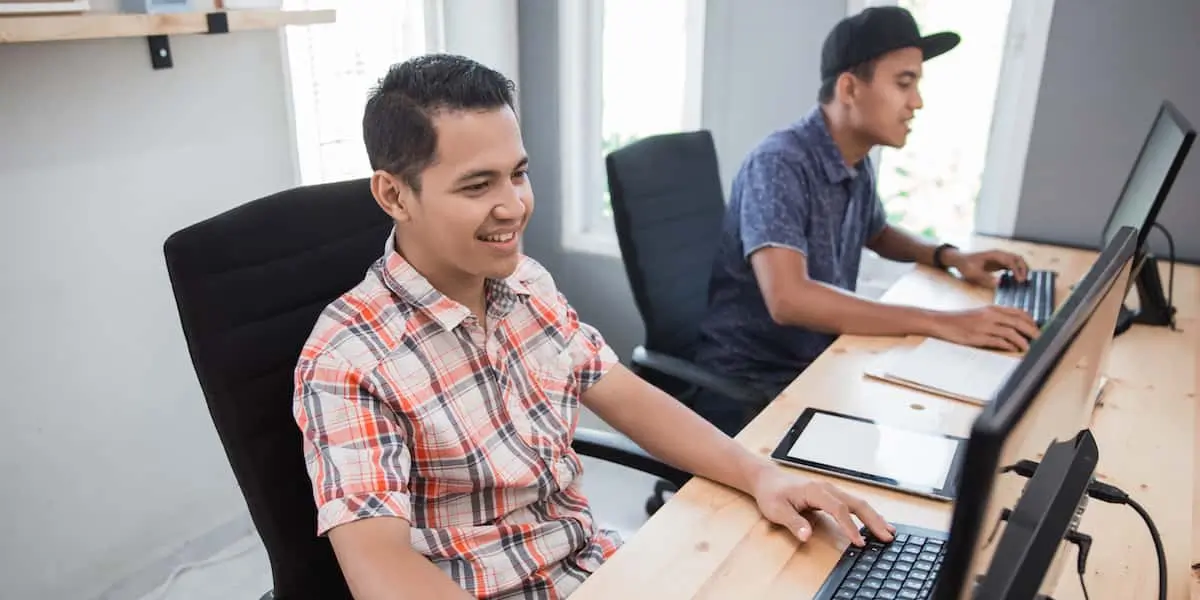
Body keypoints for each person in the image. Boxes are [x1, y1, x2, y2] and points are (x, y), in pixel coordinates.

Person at [292, 54, 894, 600]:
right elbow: (378, 567)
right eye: (478, 185)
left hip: (599, 565)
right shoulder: (348, 359)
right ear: (394, 195)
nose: (514, 206)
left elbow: (630, 399)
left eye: (518, 174)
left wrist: (763, 475)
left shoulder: (526, 284)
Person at [692, 7, 1040, 422]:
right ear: (850, 89)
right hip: (754, 388)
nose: (917, 102)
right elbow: (789, 299)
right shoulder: (779, 164)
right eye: (903, 83)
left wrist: (949, 256)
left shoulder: (853, 158)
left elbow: (876, 231)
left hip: (819, 364)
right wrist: (943, 322)